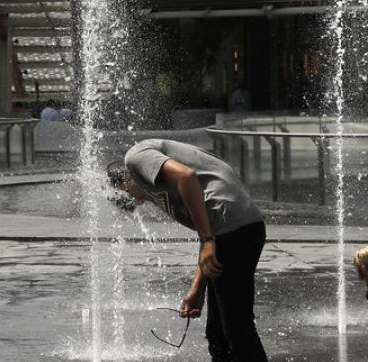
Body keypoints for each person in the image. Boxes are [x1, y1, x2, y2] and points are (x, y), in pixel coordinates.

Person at [107, 139, 267, 362]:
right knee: (218, 333)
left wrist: (209, 240)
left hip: (233, 227)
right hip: (232, 231)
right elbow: (208, 241)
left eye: (130, 197)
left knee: (236, 328)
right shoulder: (158, 188)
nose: (137, 201)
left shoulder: (136, 157)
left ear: (123, 184)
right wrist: (197, 290)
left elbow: (187, 175)